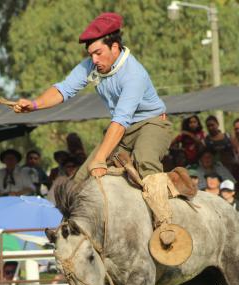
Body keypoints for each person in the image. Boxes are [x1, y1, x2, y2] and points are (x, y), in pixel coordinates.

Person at [13, 12, 176, 247]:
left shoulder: (134, 74)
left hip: (151, 124)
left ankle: (165, 226)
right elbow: (63, 89)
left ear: (115, 47)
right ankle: (71, 235)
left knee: (146, 162)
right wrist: (35, 104)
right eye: (91, 54)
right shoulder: (92, 66)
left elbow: (120, 121)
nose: (94, 59)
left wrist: (100, 159)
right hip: (122, 128)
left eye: (98, 53)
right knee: (79, 180)